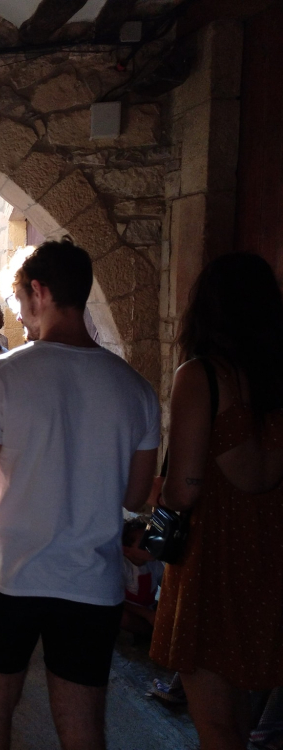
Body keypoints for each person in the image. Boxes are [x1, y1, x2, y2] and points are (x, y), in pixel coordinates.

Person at [0, 240, 160, 750]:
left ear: (39, 291)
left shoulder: (0, 375)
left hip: (7, 574)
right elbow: (136, 493)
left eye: (18, 300)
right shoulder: (136, 389)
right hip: (91, 583)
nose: (18, 313)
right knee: (81, 727)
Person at [149, 252, 283, 750]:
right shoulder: (275, 377)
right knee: (244, 720)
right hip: (270, 550)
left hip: (215, 554)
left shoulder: (202, 376)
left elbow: (184, 488)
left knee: (216, 724)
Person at [119, 517, 163, 638]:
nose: (152, 545)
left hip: (149, 607)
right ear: (126, 551)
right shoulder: (122, 567)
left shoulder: (153, 563)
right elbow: (119, 601)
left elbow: (167, 585)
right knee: (122, 617)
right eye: (145, 543)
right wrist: (147, 614)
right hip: (133, 611)